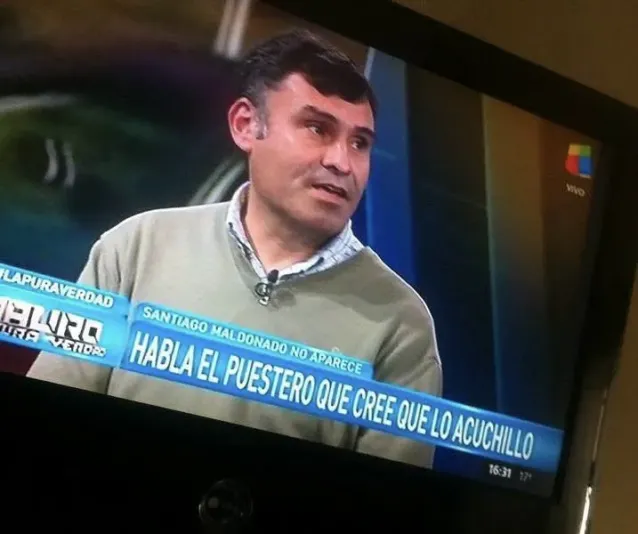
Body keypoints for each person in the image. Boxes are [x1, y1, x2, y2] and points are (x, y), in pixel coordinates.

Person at [27, 29, 443, 468]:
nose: (342, 162)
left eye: (359, 143)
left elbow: (391, 501)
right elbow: (45, 426)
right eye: (317, 128)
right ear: (246, 125)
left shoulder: (400, 323)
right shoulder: (136, 247)